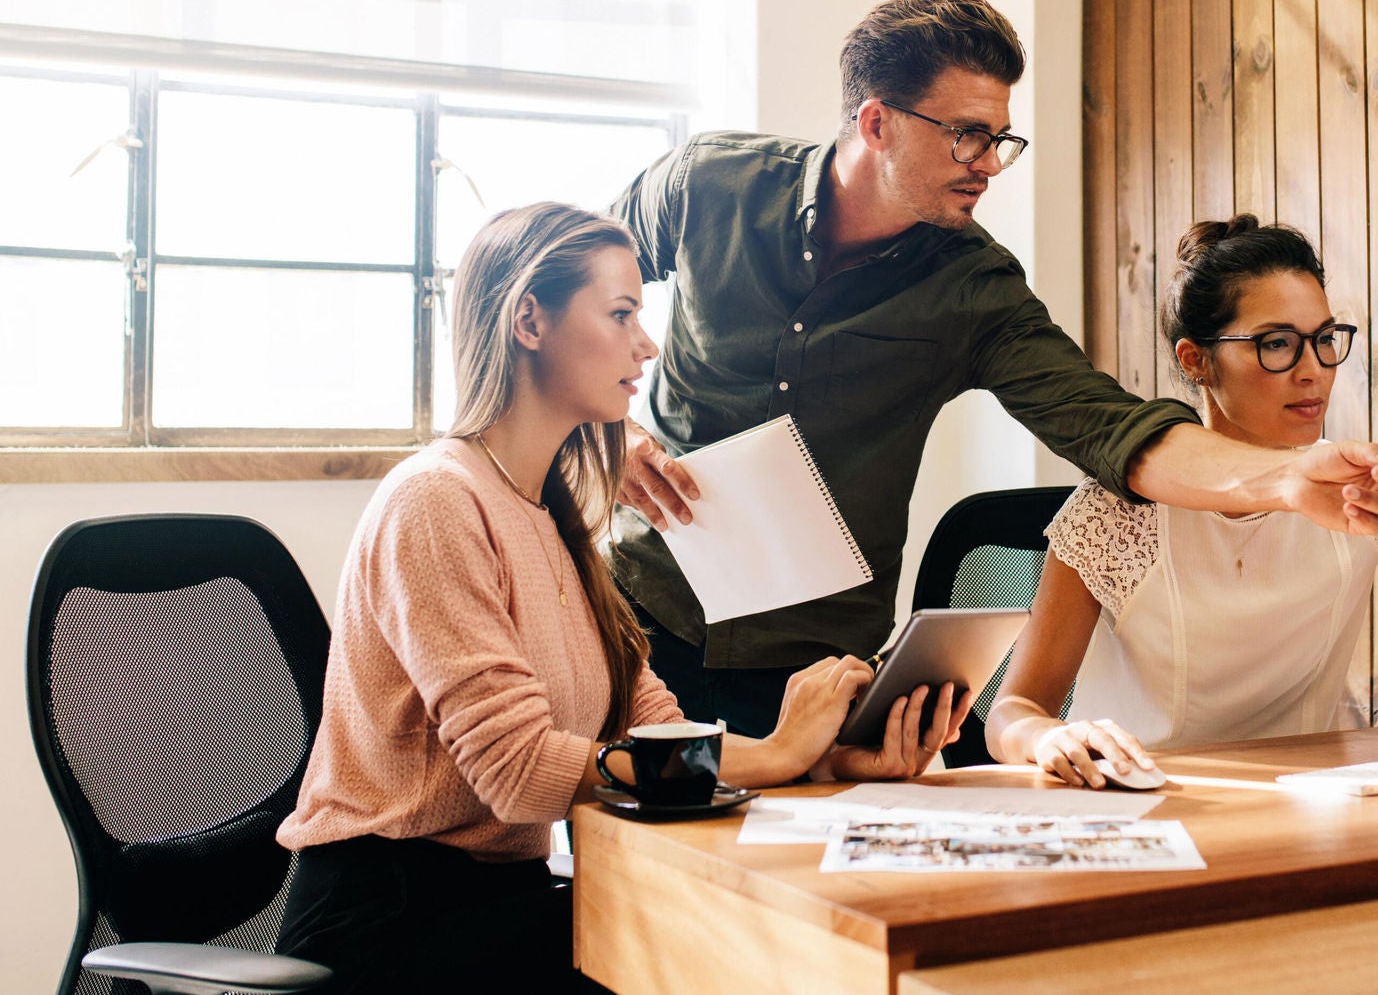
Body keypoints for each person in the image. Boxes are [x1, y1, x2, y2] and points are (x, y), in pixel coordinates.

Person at [607, 0, 1378, 736]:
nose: (990, 164)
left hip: (812, 672)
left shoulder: (973, 287)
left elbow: (1111, 426)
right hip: (644, 623)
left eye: (1000, 139)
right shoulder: (708, 184)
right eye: (966, 136)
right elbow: (558, 279)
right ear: (876, 122)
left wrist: (1279, 481)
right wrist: (608, 433)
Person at [274, 203, 965, 994]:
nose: (648, 343)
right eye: (621, 313)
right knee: (715, 948)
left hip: (499, 904)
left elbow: (658, 728)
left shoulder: (555, 517)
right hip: (389, 922)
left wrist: (817, 759)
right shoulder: (434, 500)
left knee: (734, 933)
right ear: (529, 319)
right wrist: (774, 751)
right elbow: (517, 770)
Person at [984, 217, 1378, 786]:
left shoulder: (1367, 486)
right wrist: (1046, 736)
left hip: (1309, 806)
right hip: (1139, 804)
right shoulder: (1121, 507)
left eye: (1324, 339)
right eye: (1277, 344)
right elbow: (1013, 709)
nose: (1314, 371)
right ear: (1196, 360)